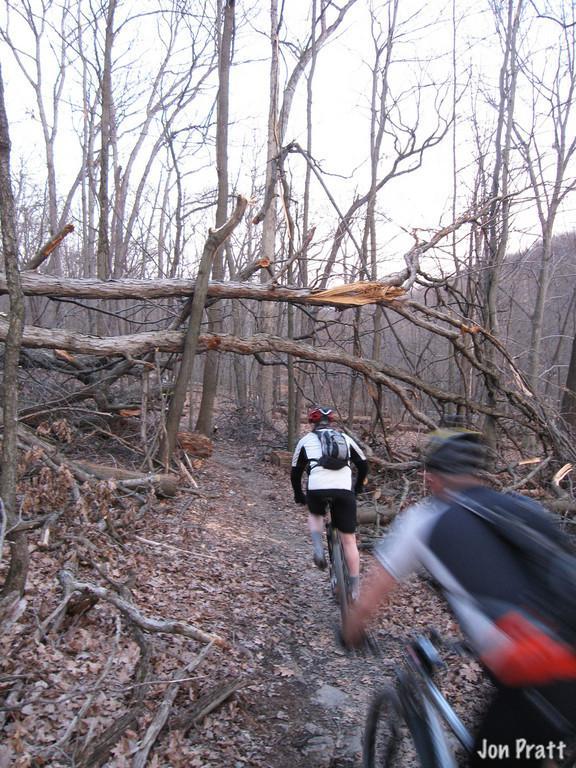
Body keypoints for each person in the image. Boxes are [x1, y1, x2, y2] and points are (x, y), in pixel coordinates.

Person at [343, 429, 576, 767]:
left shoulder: (423, 520)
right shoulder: (518, 507)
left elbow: (368, 600)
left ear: (430, 477)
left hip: (545, 671)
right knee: (540, 749)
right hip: (561, 654)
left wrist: (350, 632)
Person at [291, 406, 368, 600]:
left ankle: (318, 549)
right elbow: (363, 464)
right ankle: (356, 590)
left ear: (312, 423)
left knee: (315, 513)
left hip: (317, 488)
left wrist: (299, 495)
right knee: (349, 540)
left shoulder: (306, 440)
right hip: (343, 489)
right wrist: (358, 487)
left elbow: (295, 472)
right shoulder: (345, 439)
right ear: (331, 422)